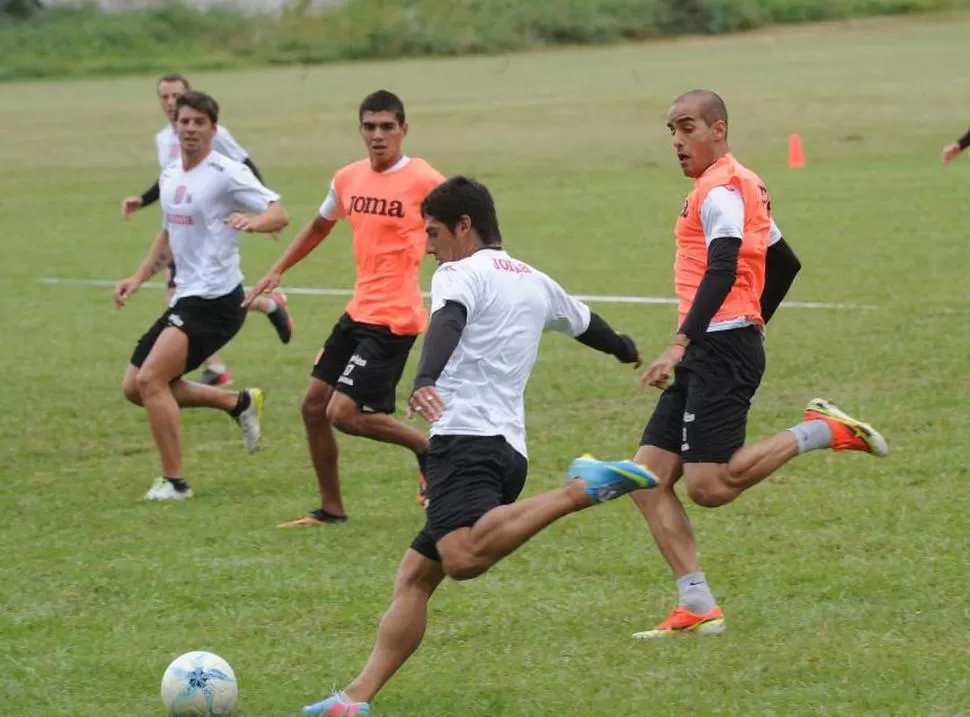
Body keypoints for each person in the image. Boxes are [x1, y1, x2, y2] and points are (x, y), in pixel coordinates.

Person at [300, 175, 655, 716]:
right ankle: (353, 700)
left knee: (461, 557)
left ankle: (582, 489)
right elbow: (588, 325)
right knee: (415, 576)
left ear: (465, 226)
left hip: (463, 440)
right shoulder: (534, 279)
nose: (428, 247)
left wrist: (425, 379)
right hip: (508, 451)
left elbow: (448, 320)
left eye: (435, 232)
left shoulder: (458, 274)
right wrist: (625, 349)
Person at [610, 89, 889, 639]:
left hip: (716, 348)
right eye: (670, 130)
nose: (676, 141)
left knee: (709, 486)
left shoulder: (721, 192)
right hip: (721, 341)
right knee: (646, 479)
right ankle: (696, 606)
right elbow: (784, 262)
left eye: (686, 128)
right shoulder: (740, 183)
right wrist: (750, 321)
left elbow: (720, 268)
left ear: (718, 129)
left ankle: (820, 430)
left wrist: (685, 342)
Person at [244, 90, 445, 527]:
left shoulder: (425, 178)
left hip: (395, 318)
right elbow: (319, 225)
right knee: (313, 407)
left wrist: (449, 259)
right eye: (369, 126)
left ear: (403, 130)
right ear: (360, 130)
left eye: (387, 127)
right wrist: (278, 269)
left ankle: (429, 449)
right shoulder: (347, 179)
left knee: (343, 413)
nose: (378, 135)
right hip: (358, 312)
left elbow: (460, 220)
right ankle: (331, 510)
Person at [114, 90, 290, 501]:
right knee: (133, 388)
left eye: (199, 122)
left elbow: (278, 211)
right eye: (184, 121)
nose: (190, 128)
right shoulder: (172, 172)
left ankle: (175, 482)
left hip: (216, 301)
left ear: (213, 128)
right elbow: (168, 234)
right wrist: (138, 278)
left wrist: (254, 221)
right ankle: (237, 402)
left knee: (151, 379)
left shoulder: (225, 172)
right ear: (174, 125)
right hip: (187, 298)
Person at [120, 72, 294, 387]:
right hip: (183, 227)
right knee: (177, 295)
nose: (170, 103)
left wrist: (261, 213)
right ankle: (257, 319)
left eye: (176, 96)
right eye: (165, 98)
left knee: (181, 298)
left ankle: (215, 366)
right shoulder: (164, 139)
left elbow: (245, 169)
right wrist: (142, 201)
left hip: (213, 224)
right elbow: (173, 183)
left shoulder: (217, 138)